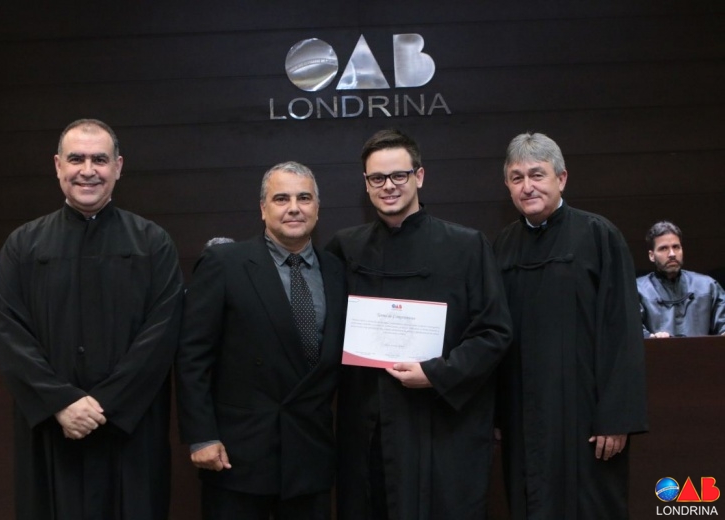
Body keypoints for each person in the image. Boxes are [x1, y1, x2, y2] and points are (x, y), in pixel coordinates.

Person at [0, 118, 184, 520]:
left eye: (100, 159)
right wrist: (62, 403)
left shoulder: (152, 243)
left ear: (118, 167)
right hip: (52, 428)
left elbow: (161, 334)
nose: (88, 170)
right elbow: (9, 334)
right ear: (58, 165)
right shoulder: (23, 245)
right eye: (76, 159)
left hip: (129, 430)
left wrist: (104, 404)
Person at [326, 129, 512, 520]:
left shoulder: (466, 246)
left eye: (399, 175)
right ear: (366, 184)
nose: (388, 186)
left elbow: (494, 331)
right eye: (377, 178)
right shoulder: (346, 248)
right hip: (368, 427)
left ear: (419, 176)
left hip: (440, 425)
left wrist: (437, 373)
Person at [176, 161, 347, 520]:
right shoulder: (225, 262)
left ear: (317, 207)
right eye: (281, 199)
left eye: (304, 198)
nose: (294, 208)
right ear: (262, 208)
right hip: (237, 455)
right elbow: (193, 355)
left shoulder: (337, 269)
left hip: (309, 454)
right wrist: (202, 436)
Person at [492, 132, 648, 519]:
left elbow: (622, 331)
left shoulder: (598, 235)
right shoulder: (502, 246)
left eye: (537, 174)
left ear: (561, 178)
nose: (527, 187)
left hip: (587, 417)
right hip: (523, 415)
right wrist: (496, 414)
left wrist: (617, 418)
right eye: (516, 178)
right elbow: (493, 335)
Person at [637, 221, 725, 338]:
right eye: (663, 248)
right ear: (651, 255)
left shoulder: (708, 286)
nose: (672, 254)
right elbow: (632, 330)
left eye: (676, 247)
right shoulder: (638, 290)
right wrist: (651, 338)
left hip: (702, 350)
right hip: (659, 350)